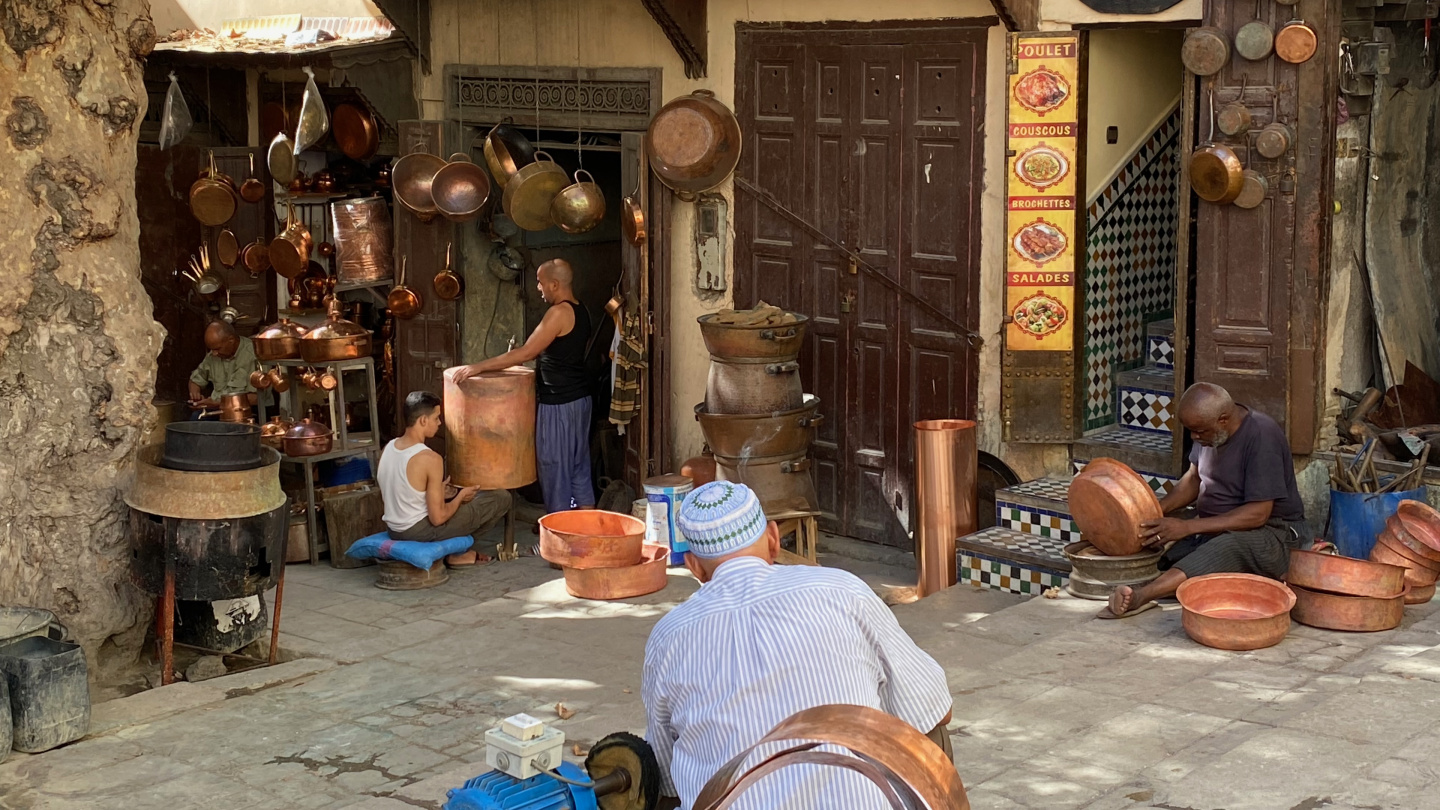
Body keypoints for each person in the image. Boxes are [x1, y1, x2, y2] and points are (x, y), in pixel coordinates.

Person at [642, 481, 954, 809]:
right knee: (928, 732)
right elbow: (937, 708)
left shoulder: (669, 636)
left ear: (693, 566)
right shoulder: (842, 590)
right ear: (774, 539)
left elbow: (662, 775)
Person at [1105, 382, 1310, 618]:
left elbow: (1258, 514)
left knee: (1224, 549)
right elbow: (1193, 479)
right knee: (1164, 551)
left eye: (1199, 431)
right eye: (1191, 430)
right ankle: (1151, 586)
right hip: (1216, 527)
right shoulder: (1209, 432)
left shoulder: (1262, 435)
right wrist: (1155, 511)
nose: (1194, 436)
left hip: (1276, 534)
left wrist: (1187, 527)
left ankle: (1140, 597)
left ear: (1223, 419)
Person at [452, 259, 595, 515]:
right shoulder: (581, 309)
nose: (538, 288)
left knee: (554, 469)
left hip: (559, 405)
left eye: (540, 283)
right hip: (580, 400)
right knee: (578, 466)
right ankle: (587, 528)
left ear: (554, 284)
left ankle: (558, 535)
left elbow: (526, 352)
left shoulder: (558, 313)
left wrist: (478, 367)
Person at [377, 391, 512, 567]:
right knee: (501, 498)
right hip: (418, 531)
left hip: (394, 529)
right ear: (423, 420)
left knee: (466, 501)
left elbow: (404, 489)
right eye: (436, 418)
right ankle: (457, 554)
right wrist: (460, 497)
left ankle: (456, 551)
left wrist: (439, 490)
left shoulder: (389, 447)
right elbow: (438, 518)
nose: (440, 423)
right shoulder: (430, 458)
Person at [188, 320, 258, 415]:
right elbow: (196, 380)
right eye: (211, 349)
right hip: (218, 409)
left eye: (217, 349)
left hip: (245, 410)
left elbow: (256, 398)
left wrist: (220, 403)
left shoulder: (253, 354)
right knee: (195, 419)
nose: (214, 353)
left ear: (231, 340)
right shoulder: (213, 356)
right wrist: (195, 395)